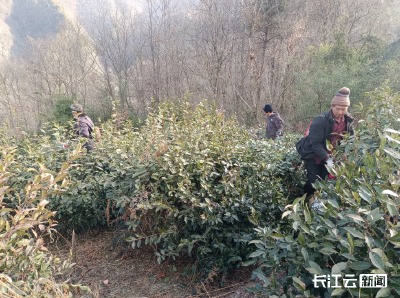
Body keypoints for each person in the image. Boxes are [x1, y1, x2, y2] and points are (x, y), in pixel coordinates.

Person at [301, 87, 355, 196]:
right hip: (315, 156)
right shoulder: (320, 120)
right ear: (332, 106)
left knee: (325, 181)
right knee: (313, 182)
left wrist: (345, 154)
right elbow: (315, 144)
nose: (340, 112)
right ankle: (304, 201)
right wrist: (328, 158)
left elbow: (351, 138)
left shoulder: (348, 121)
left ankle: (318, 205)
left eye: (343, 109)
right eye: (338, 109)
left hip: (333, 156)